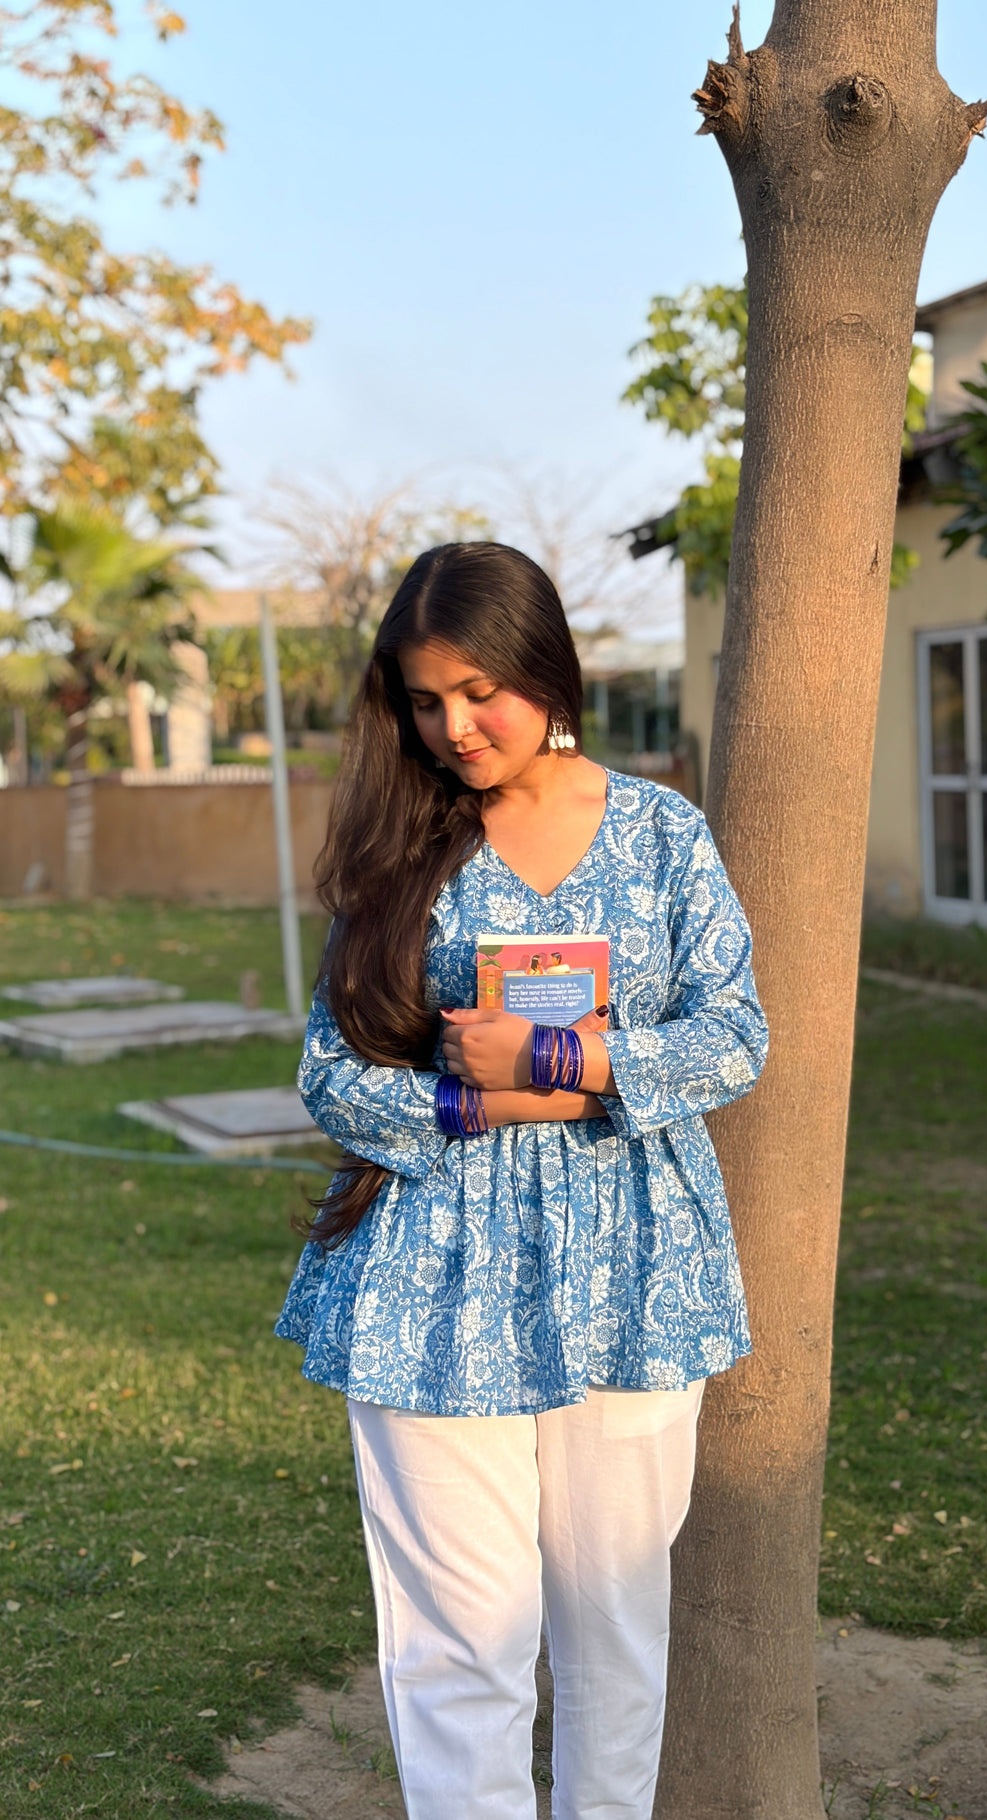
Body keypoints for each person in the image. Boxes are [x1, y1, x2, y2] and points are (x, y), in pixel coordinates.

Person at [276, 541, 768, 1820]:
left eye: (480, 689)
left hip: (633, 1271)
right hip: (429, 1280)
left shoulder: (664, 836)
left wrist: (567, 1053)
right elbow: (330, 1072)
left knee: (612, 1629)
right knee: (457, 1643)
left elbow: (735, 1033)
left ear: (547, 668)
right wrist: (472, 1095)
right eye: (427, 700)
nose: (455, 726)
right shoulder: (404, 838)